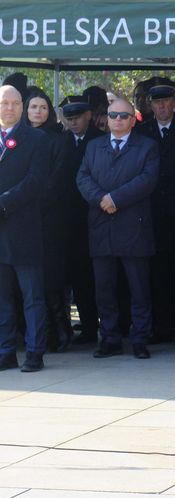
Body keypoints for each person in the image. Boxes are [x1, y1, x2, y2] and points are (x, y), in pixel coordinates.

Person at [76, 98, 159, 359]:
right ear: (106, 118)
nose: (118, 120)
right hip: (101, 225)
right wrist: (102, 198)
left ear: (133, 120)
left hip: (133, 227)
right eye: (113, 115)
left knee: (138, 288)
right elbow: (82, 177)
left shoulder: (147, 147)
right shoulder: (93, 146)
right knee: (104, 289)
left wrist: (116, 199)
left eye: (124, 116)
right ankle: (109, 338)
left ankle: (140, 338)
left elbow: (147, 179)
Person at [136, 83, 175, 344]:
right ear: (150, 105)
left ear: (174, 103)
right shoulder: (142, 131)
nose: (162, 106)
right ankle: (161, 325)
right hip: (150, 210)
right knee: (156, 271)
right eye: (156, 102)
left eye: (166, 101)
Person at [0, 85, 48, 372]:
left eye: (15, 103)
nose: (10, 108)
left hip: (23, 228)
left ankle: (34, 352)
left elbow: (36, 180)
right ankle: (5, 350)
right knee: (2, 298)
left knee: (32, 297)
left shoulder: (36, 138)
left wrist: (4, 202)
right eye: (4, 103)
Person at [24, 90, 72, 353]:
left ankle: (59, 332)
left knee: (51, 280)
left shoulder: (58, 140)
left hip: (50, 218)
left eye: (43, 107)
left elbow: (56, 180)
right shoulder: (18, 138)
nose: (38, 112)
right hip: (23, 220)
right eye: (33, 107)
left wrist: (32, 202)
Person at [61, 96, 106, 345]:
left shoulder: (99, 141)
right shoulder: (62, 141)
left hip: (97, 212)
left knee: (97, 277)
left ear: (89, 116)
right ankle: (87, 327)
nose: (73, 123)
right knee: (78, 275)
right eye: (69, 119)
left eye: (77, 117)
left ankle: (100, 325)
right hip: (70, 219)